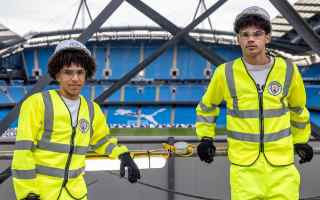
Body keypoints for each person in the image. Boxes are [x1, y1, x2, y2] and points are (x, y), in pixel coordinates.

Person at [195, 6, 313, 200]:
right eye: (245, 34)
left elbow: (298, 110)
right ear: (238, 39)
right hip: (244, 169)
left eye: (257, 34)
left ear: (267, 38)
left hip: (282, 168)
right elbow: (207, 106)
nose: (251, 39)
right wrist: (206, 138)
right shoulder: (225, 73)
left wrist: (301, 140)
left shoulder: (289, 70)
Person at [11, 39, 141, 200]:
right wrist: (28, 193)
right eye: (68, 72)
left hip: (77, 194)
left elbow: (102, 140)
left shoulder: (92, 109)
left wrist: (124, 155)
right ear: (57, 74)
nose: (75, 78)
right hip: (42, 194)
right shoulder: (37, 104)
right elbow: (23, 152)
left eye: (80, 72)